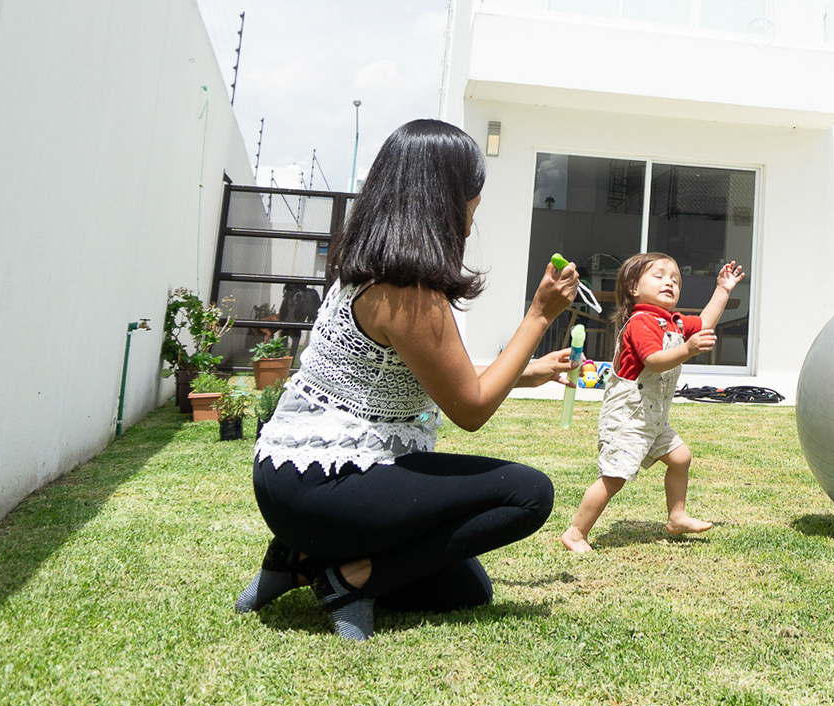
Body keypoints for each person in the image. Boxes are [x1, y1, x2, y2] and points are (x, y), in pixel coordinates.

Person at [233, 119, 578, 639]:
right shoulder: (411, 290)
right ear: (446, 197)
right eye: (472, 193)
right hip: (329, 486)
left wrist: (525, 374)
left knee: (466, 591)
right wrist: (537, 317)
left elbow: (425, 373)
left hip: (287, 480)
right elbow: (470, 410)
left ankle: (297, 558)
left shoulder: (365, 271)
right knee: (528, 494)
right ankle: (350, 578)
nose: (476, 206)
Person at [560, 254, 744, 554]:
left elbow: (705, 323)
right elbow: (654, 361)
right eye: (659, 276)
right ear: (633, 287)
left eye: (675, 278)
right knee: (614, 478)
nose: (669, 281)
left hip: (653, 418)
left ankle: (676, 516)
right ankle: (576, 532)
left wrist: (723, 289)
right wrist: (687, 349)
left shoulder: (672, 321)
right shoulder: (641, 322)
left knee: (681, 457)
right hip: (628, 417)